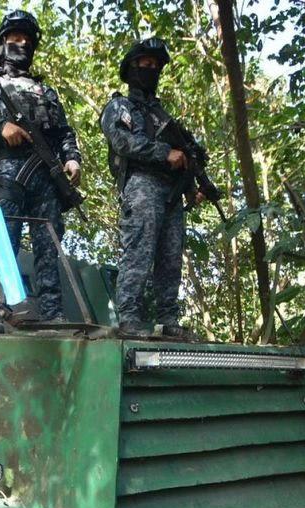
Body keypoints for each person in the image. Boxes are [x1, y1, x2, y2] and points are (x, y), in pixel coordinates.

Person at [0, 9, 82, 325]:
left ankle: (53, 313)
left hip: (47, 175)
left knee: (49, 246)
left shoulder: (45, 92)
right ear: (2, 43)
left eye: (27, 39)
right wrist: (0, 127)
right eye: (16, 37)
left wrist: (72, 158)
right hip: (9, 174)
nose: (23, 43)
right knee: (3, 242)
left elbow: (63, 132)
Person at [101, 37, 208, 341]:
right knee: (139, 251)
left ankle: (168, 319)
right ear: (131, 68)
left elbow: (183, 156)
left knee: (171, 257)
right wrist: (164, 152)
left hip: (171, 192)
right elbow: (121, 142)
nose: (151, 70)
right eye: (145, 64)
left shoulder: (163, 116)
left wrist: (191, 187)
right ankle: (129, 317)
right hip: (142, 185)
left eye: (156, 66)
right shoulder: (119, 106)